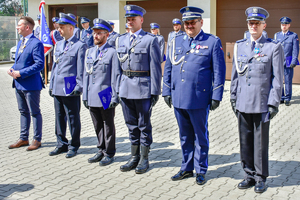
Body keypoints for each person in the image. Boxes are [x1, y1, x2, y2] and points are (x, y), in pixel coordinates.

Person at [162, 6, 226, 185]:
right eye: (186, 23)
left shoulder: (212, 42)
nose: (189, 26)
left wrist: (216, 95)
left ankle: (201, 169)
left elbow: (219, 72)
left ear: (201, 22)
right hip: (179, 97)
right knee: (184, 136)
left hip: (199, 98)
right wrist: (166, 90)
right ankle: (186, 168)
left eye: (192, 22)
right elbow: (168, 67)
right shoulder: (176, 41)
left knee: (200, 135)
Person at [230, 7, 284, 193]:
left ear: (264, 25)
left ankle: (261, 178)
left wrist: (273, 102)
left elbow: (278, 78)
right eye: (250, 23)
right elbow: (235, 74)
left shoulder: (273, 47)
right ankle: (248, 175)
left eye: (257, 23)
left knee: (260, 144)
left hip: (262, 103)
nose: (253, 26)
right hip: (243, 102)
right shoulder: (240, 46)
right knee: (245, 141)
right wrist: (233, 97)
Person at [115, 4, 161, 174]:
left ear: (141, 20)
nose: (130, 22)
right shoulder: (120, 40)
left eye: (133, 19)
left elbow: (155, 68)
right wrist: (116, 89)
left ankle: (144, 157)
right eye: (128, 19)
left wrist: (155, 91)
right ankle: (133, 156)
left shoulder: (150, 40)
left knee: (143, 125)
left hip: (142, 89)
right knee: (130, 124)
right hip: (125, 88)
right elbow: (117, 69)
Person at [49, 12, 87, 158]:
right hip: (58, 86)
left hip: (70, 87)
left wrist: (79, 87)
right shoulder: (58, 44)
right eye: (59, 27)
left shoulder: (79, 46)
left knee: (72, 117)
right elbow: (55, 67)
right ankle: (61, 144)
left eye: (62, 27)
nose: (59, 29)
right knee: (59, 117)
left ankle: (74, 145)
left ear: (71, 28)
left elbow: (81, 69)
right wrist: (51, 84)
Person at [83, 18, 119, 166]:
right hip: (91, 93)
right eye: (94, 33)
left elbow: (115, 76)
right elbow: (86, 74)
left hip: (105, 94)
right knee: (97, 124)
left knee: (108, 124)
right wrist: (84, 95)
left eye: (99, 33)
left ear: (106, 35)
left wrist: (115, 96)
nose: (95, 36)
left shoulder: (112, 52)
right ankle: (100, 149)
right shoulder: (89, 52)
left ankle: (109, 153)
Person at [7, 16, 44, 151]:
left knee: (34, 112)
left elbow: (39, 64)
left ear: (27, 27)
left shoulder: (36, 43)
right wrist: (13, 69)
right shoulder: (21, 42)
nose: (17, 27)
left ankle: (37, 139)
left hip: (31, 85)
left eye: (19, 25)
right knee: (23, 111)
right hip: (19, 84)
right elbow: (20, 61)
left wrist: (21, 73)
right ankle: (23, 138)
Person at [274, 17, 299, 106]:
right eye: (282, 24)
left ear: (289, 25)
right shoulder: (277, 35)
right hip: (279, 61)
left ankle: (288, 98)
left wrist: (294, 60)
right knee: (279, 80)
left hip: (288, 61)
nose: (283, 26)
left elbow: (295, 49)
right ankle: (281, 97)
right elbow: (275, 49)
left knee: (288, 80)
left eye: (285, 24)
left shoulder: (293, 36)